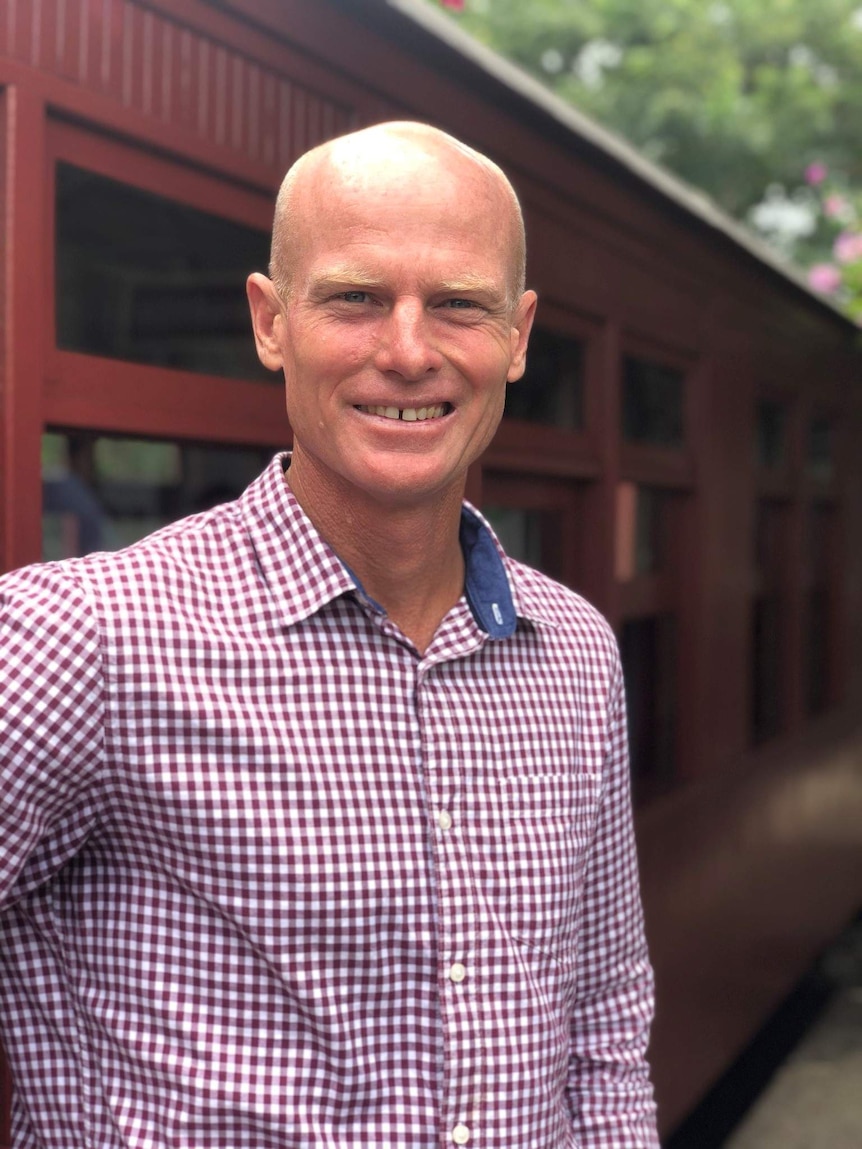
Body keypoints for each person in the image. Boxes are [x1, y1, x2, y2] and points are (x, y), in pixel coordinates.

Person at [0, 122, 659, 1148]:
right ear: (270, 321)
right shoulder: (81, 636)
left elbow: (604, 1016)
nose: (407, 350)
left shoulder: (572, 649)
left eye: (459, 306)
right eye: (356, 298)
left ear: (518, 336)